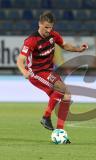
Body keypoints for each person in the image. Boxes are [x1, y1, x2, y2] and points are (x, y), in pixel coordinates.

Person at [17, 11, 88, 143]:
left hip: (49, 72)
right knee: (62, 89)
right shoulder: (31, 40)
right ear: (39, 24)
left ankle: (59, 132)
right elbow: (20, 60)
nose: (48, 30)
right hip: (36, 73)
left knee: (67, 95)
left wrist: (78, 49)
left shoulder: (53, 35)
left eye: (51, 27)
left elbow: (65, 45)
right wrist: (24, 72)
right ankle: (46, 116)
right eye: (46, 27)